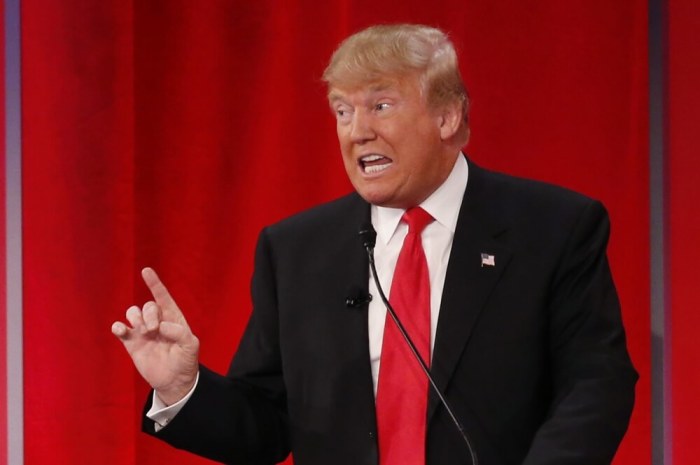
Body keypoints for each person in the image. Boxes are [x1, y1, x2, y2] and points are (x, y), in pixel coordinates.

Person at [112, 24, 637, 465]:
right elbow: (267, 425)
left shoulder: (553, 227)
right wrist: (184, 389)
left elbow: (595, 385)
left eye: (380, 105)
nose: (356, 132)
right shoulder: (296, 250)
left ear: (447, 117)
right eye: (343, 111)